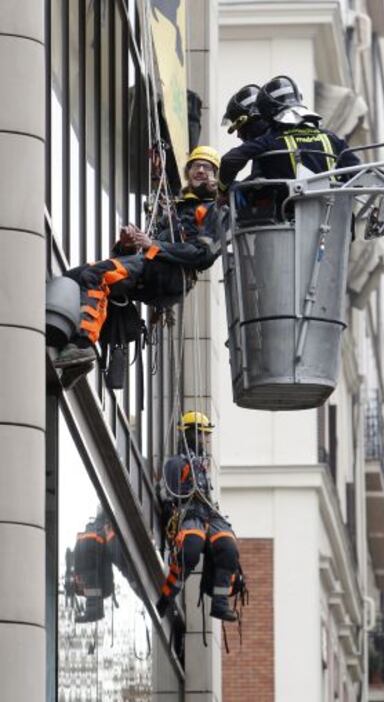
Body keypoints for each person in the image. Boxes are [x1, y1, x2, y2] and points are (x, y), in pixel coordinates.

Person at [54, 146, 222, 369]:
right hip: (152, 270)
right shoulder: (174, 210)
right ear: (188, 171)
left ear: (216, 176)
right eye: (196, 166)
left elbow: (203, 255)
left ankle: (83, 345)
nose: (200, 170)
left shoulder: (214, 210)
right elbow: (138, 257)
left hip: (170, 276)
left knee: (96, 274)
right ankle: (72, 351)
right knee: (74, 277)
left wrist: (153, 245)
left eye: (207, 168)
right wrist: (127, 245)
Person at [217, 74, 360, 204]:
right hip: (334, 220)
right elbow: (359, 175)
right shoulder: (331, 138)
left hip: (287, 224)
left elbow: (230, 160)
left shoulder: (270, 142)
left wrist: (224, 191)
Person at [156, 411, 239, 623]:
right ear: (191, 434)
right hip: (188, 512)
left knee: (228, 547)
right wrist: (169, 516)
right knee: (190, 550)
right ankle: (167, 596)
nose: (206, 439)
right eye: (203, 434)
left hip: (207, 513)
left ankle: (220, 603)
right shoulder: (176, 463)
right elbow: (168, 494)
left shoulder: (202, 464)